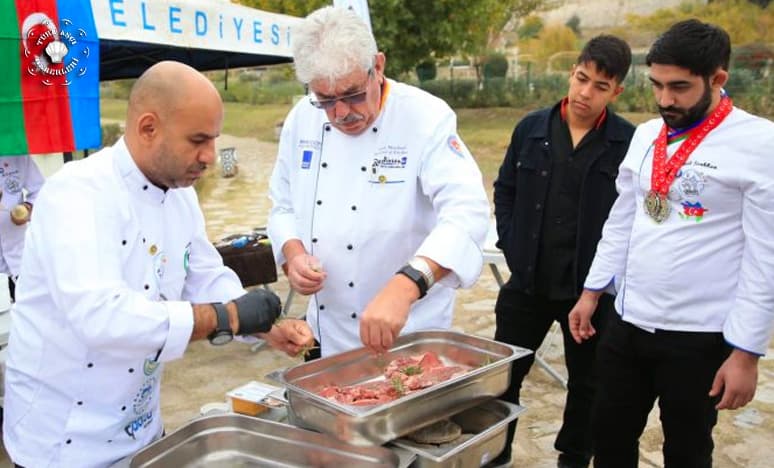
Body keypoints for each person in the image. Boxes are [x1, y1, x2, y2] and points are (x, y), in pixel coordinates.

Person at [2, 61, 314, 468]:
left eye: (214, 140)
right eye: (198, 140)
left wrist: (261, 326)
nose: (209, 157)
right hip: (64, 438)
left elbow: (204, 275)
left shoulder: (180, 194)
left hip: (142, 425)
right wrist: (228, 317)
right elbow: (100, 316)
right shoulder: (77, 194)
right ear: (148, 127)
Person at [569, 20, 774, 468]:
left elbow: (766, 257)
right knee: (608, 437)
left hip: (698, 335)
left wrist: (746, 352)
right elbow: (622, 219)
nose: (665, 100)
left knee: (686, 449)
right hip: (627, 322)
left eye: (679, 87)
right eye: (657, 85)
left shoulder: (760, 144)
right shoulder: (646, 135)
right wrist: (591, 291)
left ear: (718, 78)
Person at [267, 6, 490, 358]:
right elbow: (282, 205)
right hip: (329, 332)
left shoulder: (425, 117)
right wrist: (293, 255)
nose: (341, 113)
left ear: (379, 66)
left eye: (353, 94)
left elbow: (468, 212)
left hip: (410, 331)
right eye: (325, 100)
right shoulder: (301, 120)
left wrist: (408, 284)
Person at [490, 35, 634, 468]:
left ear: (617, 91)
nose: (585, 93)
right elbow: (505, 190)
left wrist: (602, 284)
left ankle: (573, 457)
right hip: (528, 282)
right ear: (572, 71)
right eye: (581, 78)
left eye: (600, 86)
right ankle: (496, 454)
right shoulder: (531, 129)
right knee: (502, 379)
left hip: (588, 291)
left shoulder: (627, 141)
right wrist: (512, 245)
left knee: (588, 385)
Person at [0, 154, 45, 301]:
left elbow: (40, 189)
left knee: (28, 310)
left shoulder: (17, 154)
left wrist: (27, 208)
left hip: (18, 255)